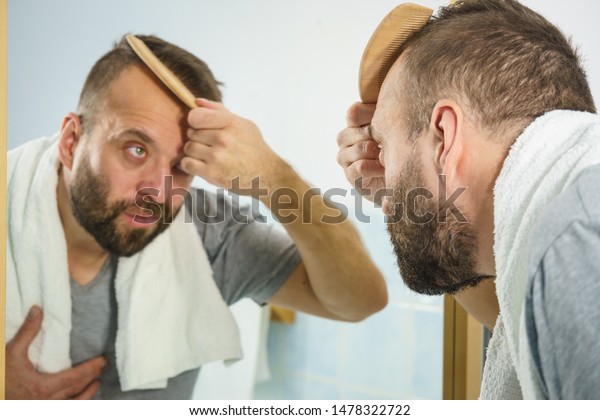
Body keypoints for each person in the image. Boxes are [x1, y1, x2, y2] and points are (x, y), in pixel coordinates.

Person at [6, 34, 387, 399]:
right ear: (72, 141)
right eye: (136, 150)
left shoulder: (207, 232)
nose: (157, 191)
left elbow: (360, 301)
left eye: (181, 165)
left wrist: (275, 178)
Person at [337, 0, 600, 399]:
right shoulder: (563, 226)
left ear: (444, 135)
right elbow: (521, 328)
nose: (388, 198)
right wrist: (412, 197)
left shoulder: (578, 245)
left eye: (386, 149)